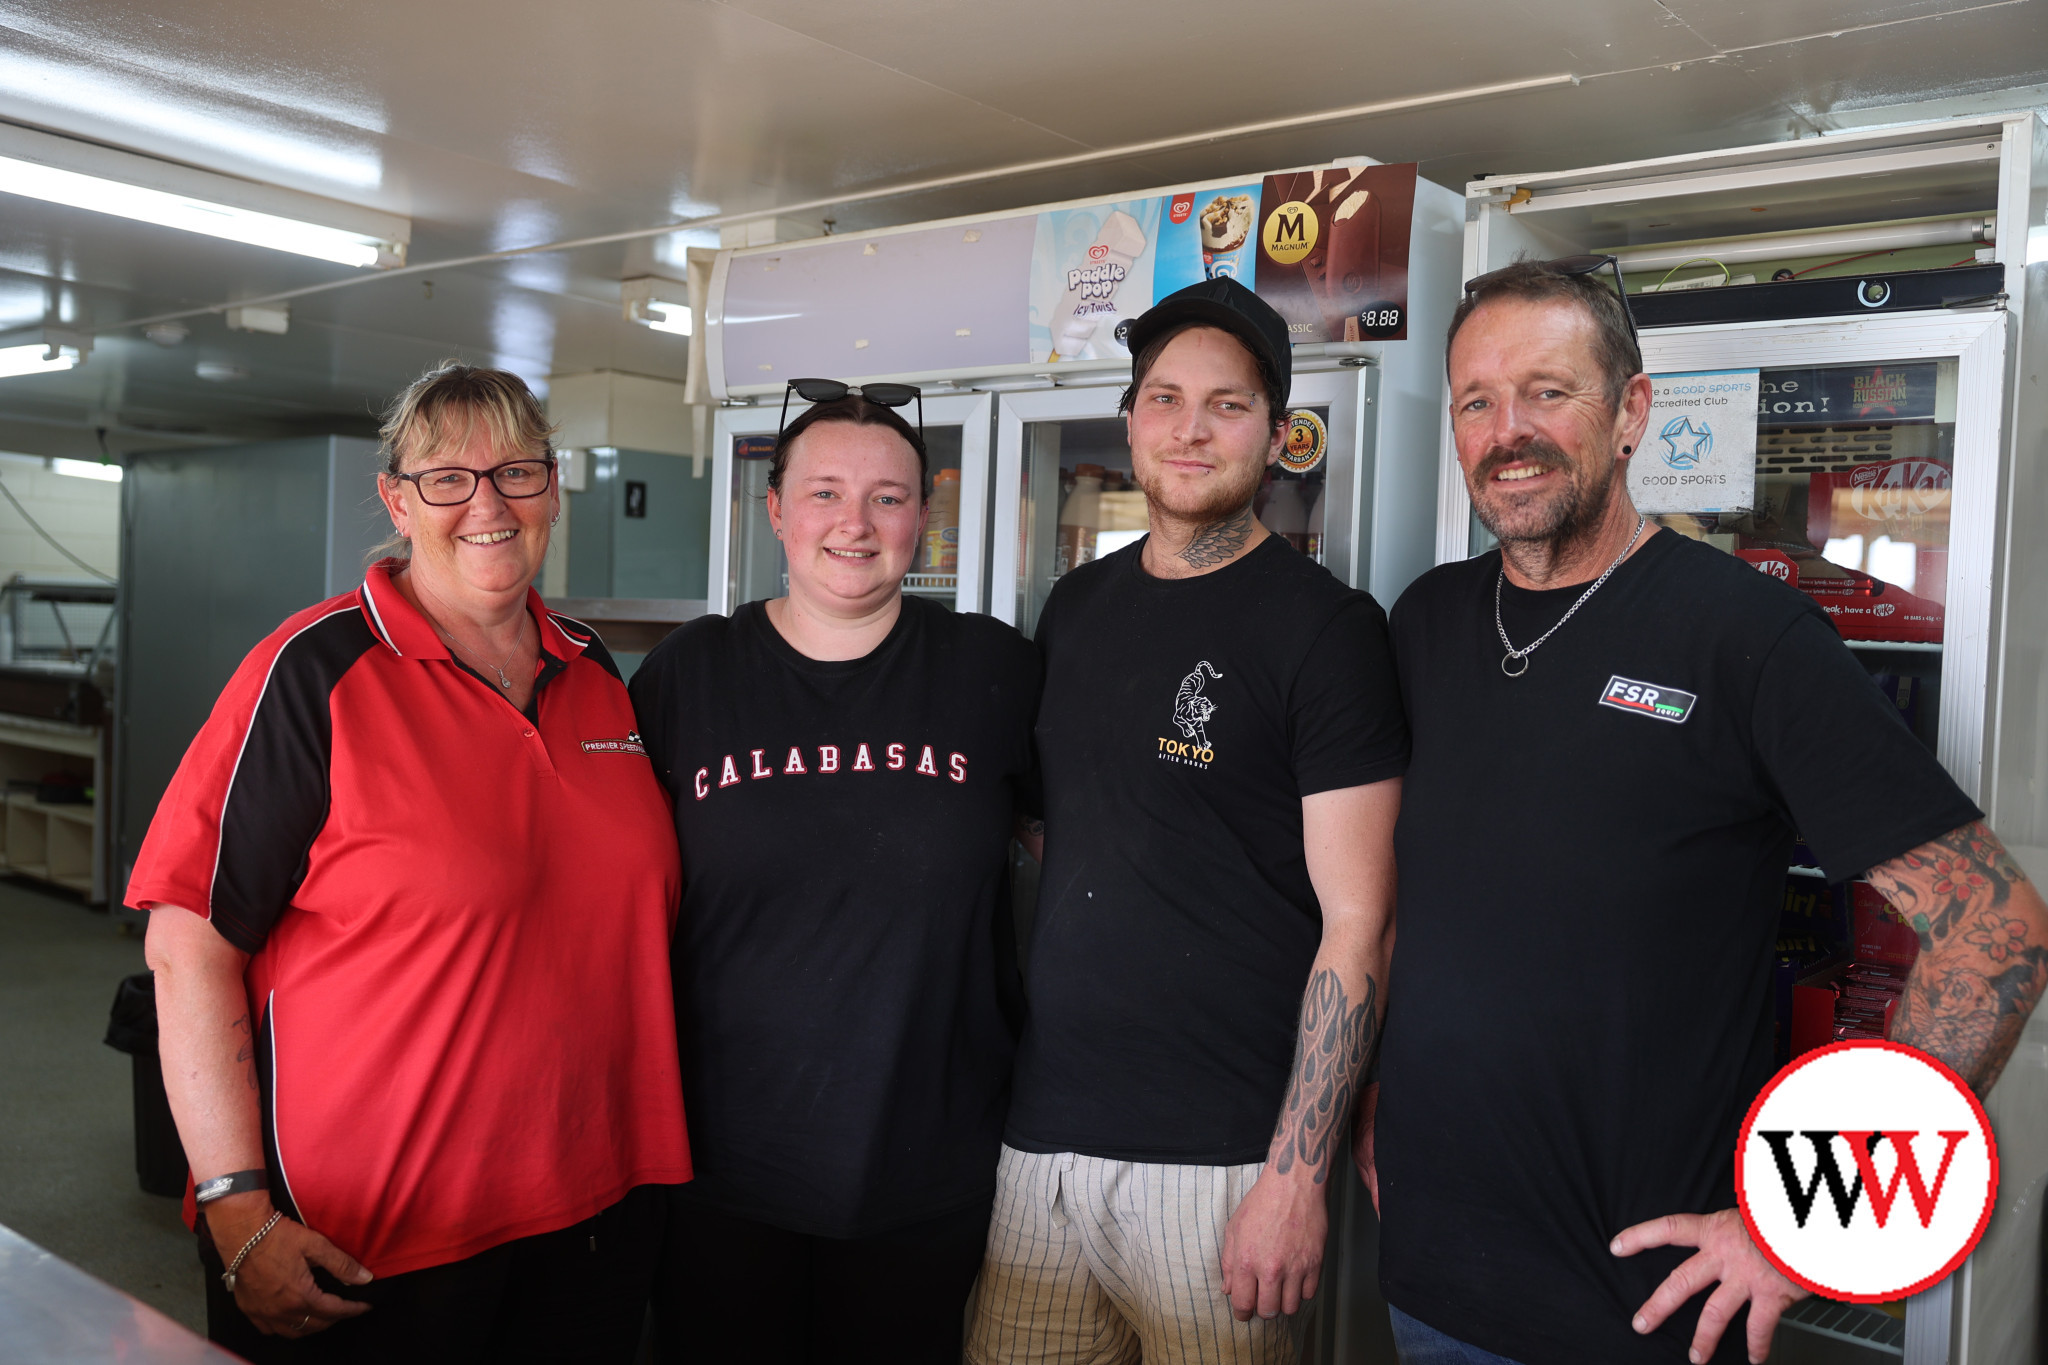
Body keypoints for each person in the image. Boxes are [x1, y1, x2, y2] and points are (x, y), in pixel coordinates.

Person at [1363, 258, 2048, 1365]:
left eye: (1547, 391)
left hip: (1639, 1313)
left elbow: (1993, 926)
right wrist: (1368, 1098)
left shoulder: (1747, 637)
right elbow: (1416, 906)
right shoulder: (1426, 622)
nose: (1507, 431)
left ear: (1631, 411)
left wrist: (1808, 1227)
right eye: (1476, 402)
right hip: (1427, 1283)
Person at [131, 363, 691, 1364]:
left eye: (517, 472)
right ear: (398, 500)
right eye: (448, 477)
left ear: (553, 490)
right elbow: (187, 945)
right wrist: (232, 1205)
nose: (487, 502)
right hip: (369, 1243)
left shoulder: (594, 675)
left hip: (595, 1213)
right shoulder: (312, 674)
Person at [968, 277, 1408, 1365]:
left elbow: (1361, 921)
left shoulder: (1327, 631)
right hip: (1043, 1141)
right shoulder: (1076, 607)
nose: (1190, 428)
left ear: (1275, 432)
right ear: (1129, 421)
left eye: (1226, 403)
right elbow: (1055, 837)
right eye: (1163, 398)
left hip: (1220, 1163)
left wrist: (1294, 1178)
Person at [629, 384, 1041, 1364]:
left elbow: (1083, 859)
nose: (854, 524)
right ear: (773, 511)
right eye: (823, 493)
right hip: (718, 1178)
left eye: (888, 498)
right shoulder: (690, 677)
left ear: (923, 518)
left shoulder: (992, 672)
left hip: (932, 1175)